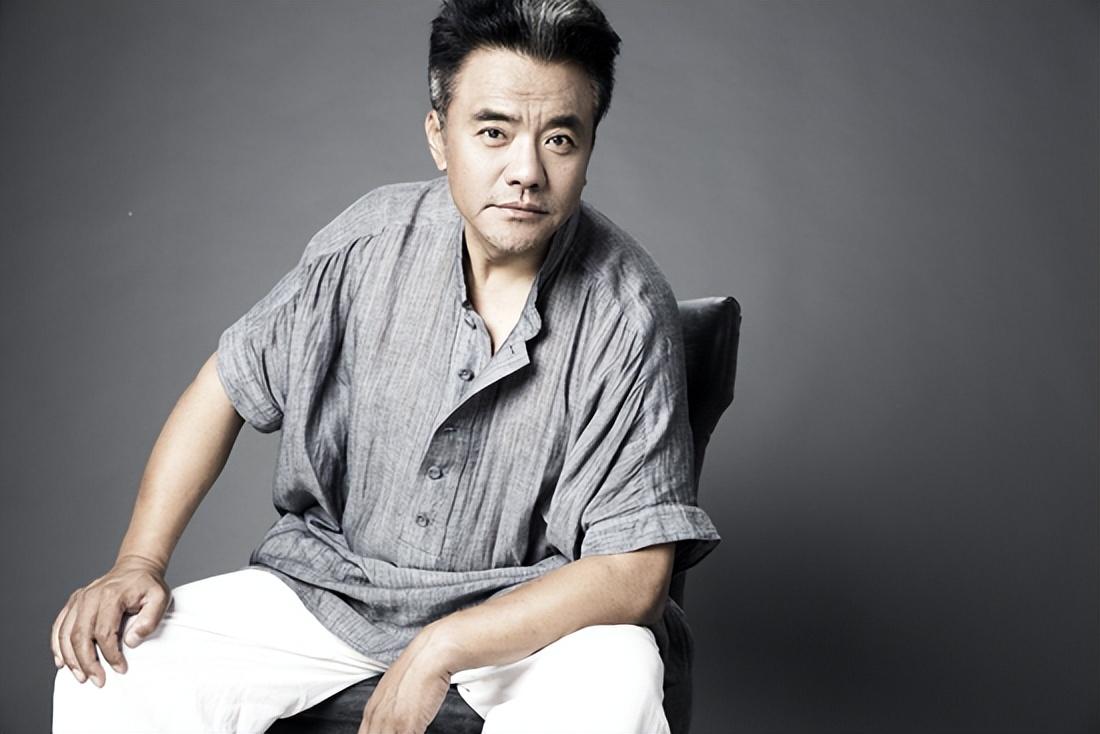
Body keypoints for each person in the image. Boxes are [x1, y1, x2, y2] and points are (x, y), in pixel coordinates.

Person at [50, 1, 721, 732]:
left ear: (588, 148)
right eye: (493, 132)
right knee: (114, 671)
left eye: (560, 139)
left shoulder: (627, 309)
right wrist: (139, 561)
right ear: (439, 136)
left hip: (532, 623)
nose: (526, 172)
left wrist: (442, 645)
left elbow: (634, 574)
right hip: (331, 591)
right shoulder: (367, 243)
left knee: (616, 682)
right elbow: (227, 383)